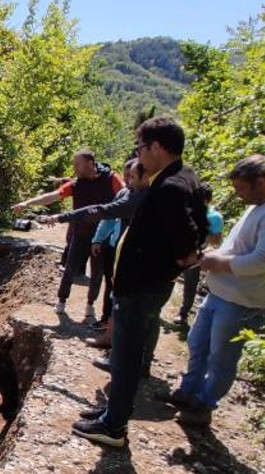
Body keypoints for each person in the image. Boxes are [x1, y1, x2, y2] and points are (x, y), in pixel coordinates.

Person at [72, 117, 207, 448]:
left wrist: (175, 261)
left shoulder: (171, 187)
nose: (138, 154)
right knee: (124, 354)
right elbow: (199, 227)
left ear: (156, 147)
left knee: (126, 357)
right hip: (144, 283)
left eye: (141, 147)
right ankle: (112, 413)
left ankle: (114, 427)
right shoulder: (184, 177)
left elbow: (188, 241)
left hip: (141, 286)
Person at [167, 154, 265, 425]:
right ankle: (189, 390)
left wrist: (217, 263)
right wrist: (208, 256)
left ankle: (204, 405)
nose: (238, 195)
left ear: (262, 182)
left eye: (241, 188)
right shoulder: (262, 204)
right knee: (198, 342)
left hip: (244, 300)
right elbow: (239, 246)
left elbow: (264, 260)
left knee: (222, 357)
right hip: (222, 292)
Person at [45, 159, 148, 348]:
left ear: (146, 178)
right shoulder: (127, 194)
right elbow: (107, 216)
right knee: (115, 291)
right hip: (115, 247)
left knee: (122, 296)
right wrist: (98, 239)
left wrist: (61, 217)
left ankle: (129, 351)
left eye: (132, 177)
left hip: (137, 258)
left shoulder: (140, 198)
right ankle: (110, 335)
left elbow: (100, 211)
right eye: (127, 176)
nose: (127, 181)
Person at [13, 149, 123, 315]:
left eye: (77, 164)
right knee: (70, 269)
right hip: (81, 233)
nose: (74, 168)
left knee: (97, 274)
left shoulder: (112, 179)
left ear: (90, 163)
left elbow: (126, 197)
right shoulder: (76, 184)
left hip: (103, 236)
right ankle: (62, 300)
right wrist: (26, 203)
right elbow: (53, 196)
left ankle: (90, 304)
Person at [177, 186, 224, 328]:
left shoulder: (215, 217)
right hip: (179, 251)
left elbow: (216, 241)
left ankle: (183, 313)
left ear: (207, 200)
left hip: (197, 256)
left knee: (190, 285)